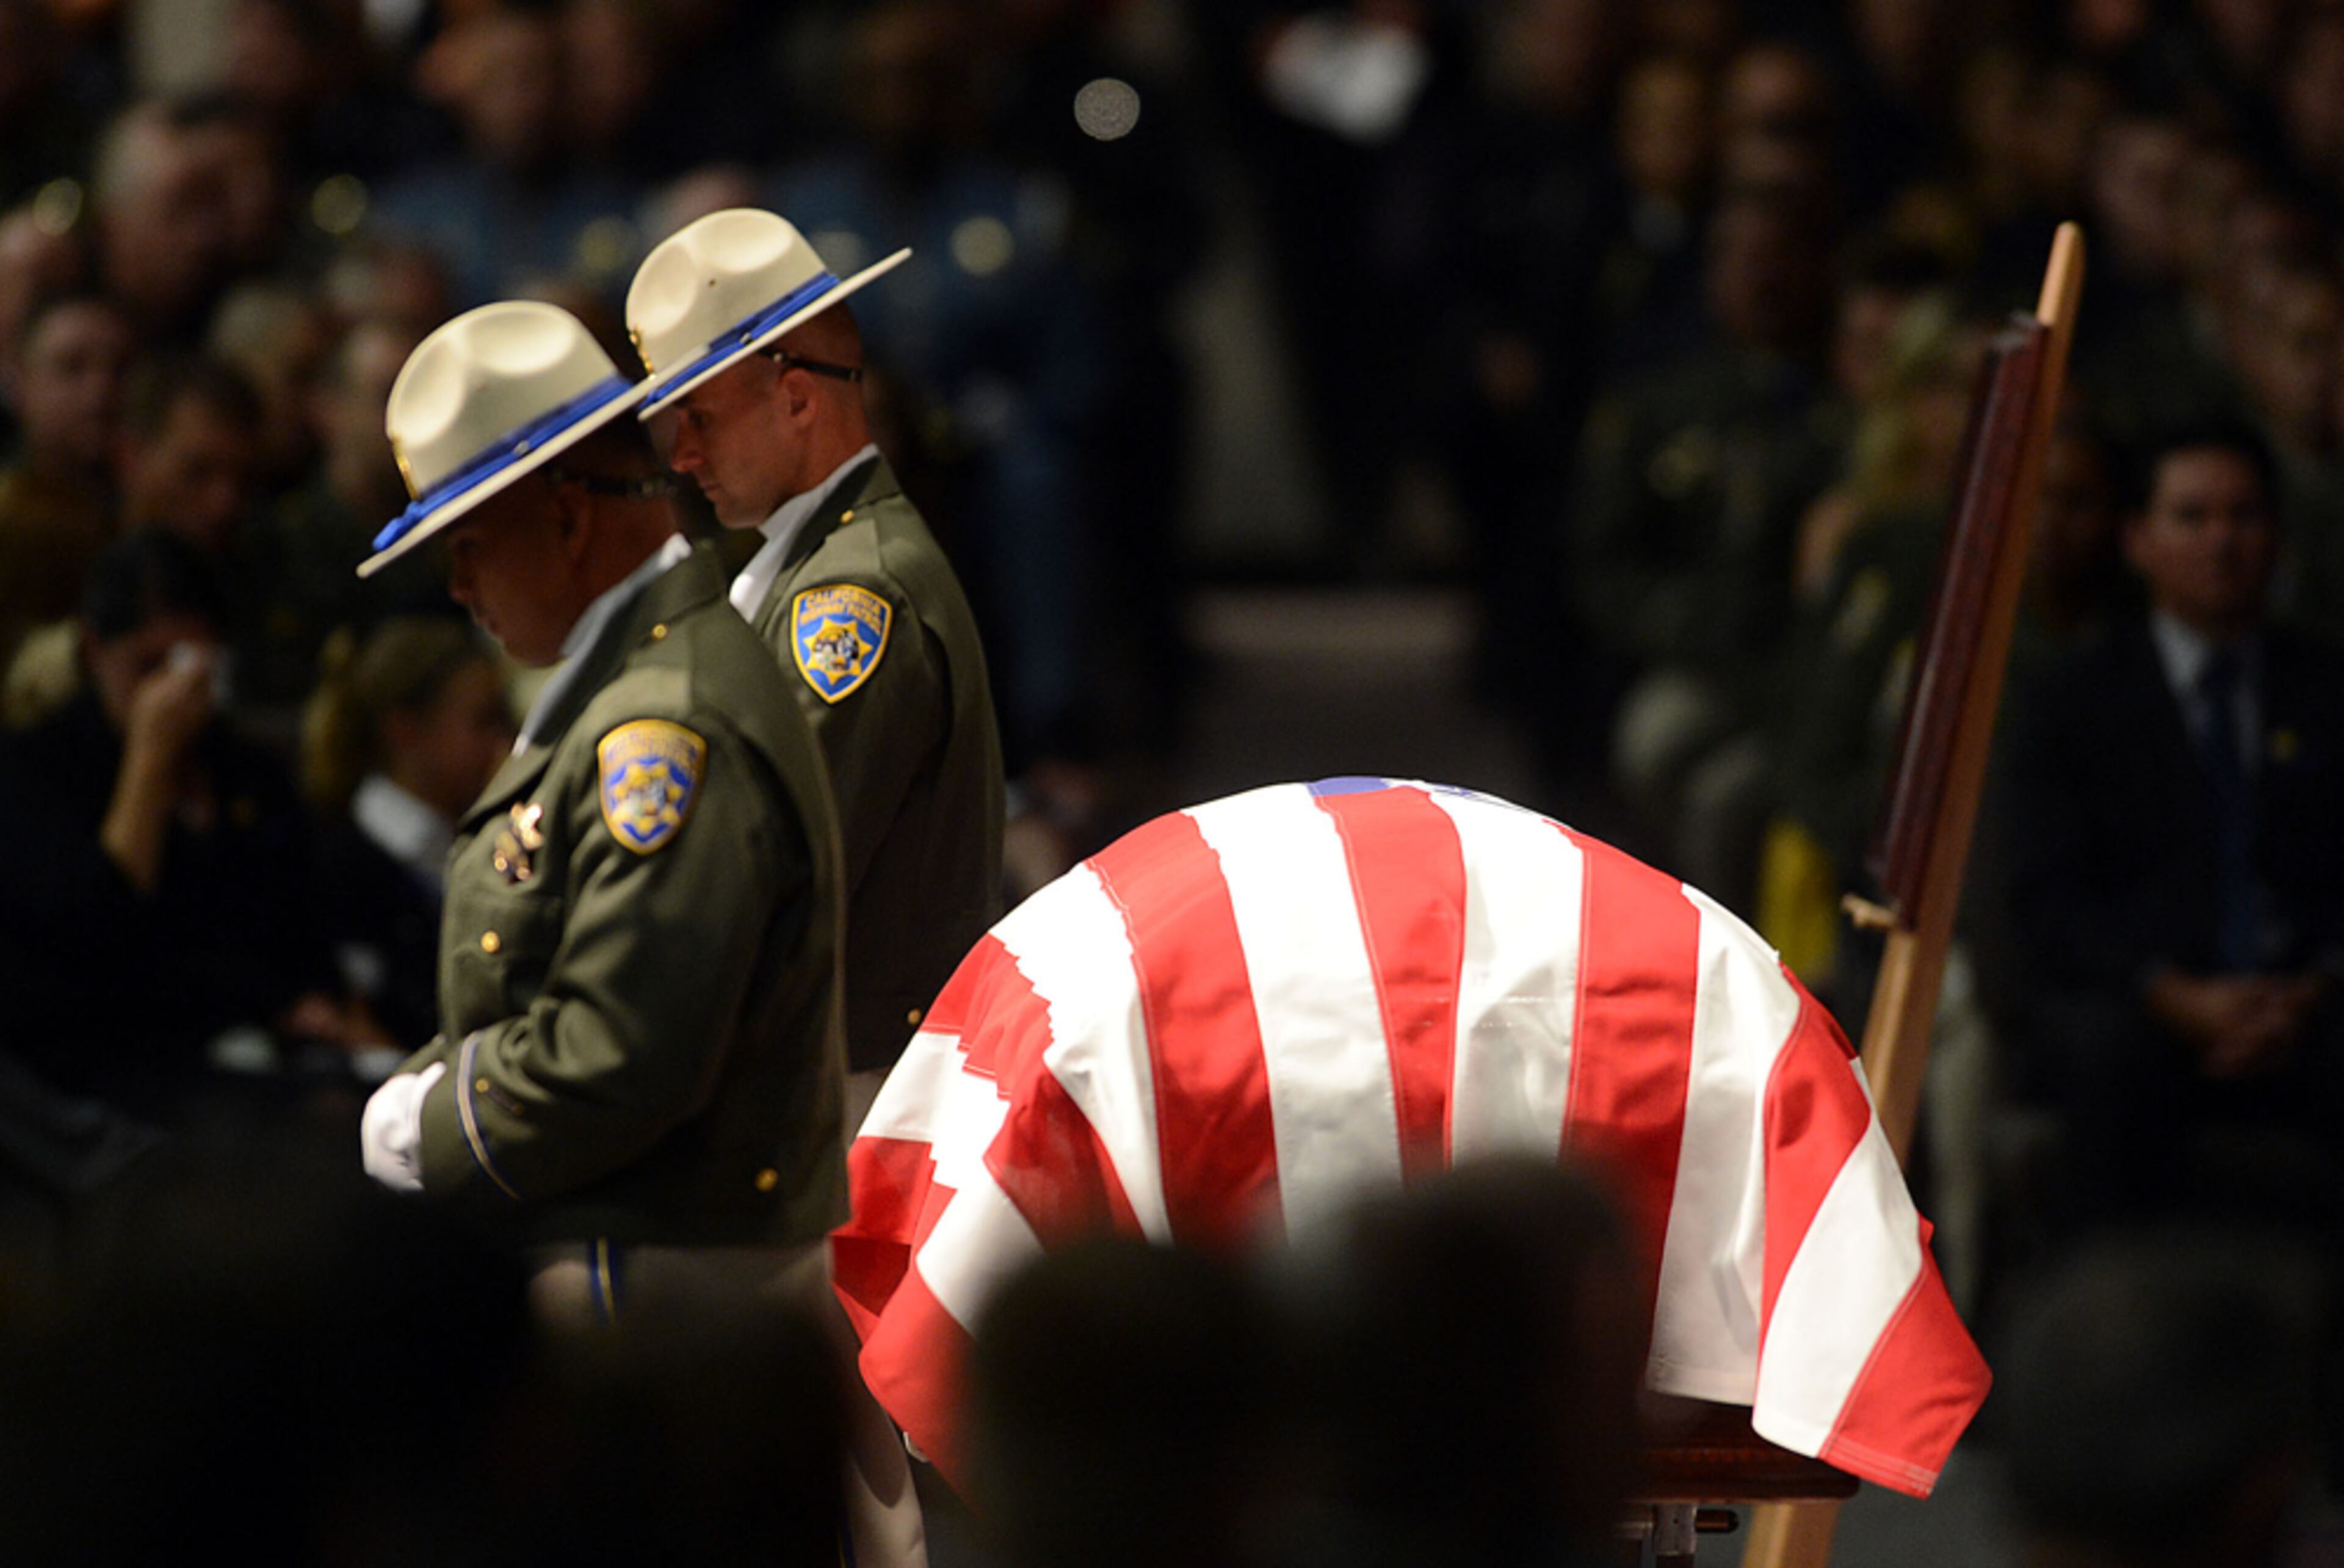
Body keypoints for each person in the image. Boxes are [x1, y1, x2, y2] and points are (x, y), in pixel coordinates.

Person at [353, 295, 926, 1568]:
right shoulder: (628, 688)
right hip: (665, 1287)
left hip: (664, 1298)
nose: (455, 586)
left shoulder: (658, 726)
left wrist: (423, 1123)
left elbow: (623, 1052)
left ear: (563, 517)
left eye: (469, 544)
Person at [626, 207, 1004, 1118]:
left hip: (853, 1101)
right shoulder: (817, 566)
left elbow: (755, 867)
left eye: (700, 418)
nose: (681, 457)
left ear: (796, 398)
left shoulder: (853, 596)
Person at [2005, 425, 2344, 1240]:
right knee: (2110, 1062)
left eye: (2244, 516)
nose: (2222, 541)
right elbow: (2047, 900)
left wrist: (2311, 990)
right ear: (2138, 540)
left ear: (2277, 536)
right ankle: (2097, 1333)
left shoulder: (2327, 690)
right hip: (2145, 1000)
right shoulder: (2073, 701)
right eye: (2192, 517)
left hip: (2304, 999)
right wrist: (2175, 994)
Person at [300, 616, 512, 1053]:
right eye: (484, 721)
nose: (503, 744)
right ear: (405, 730)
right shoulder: (343, 862)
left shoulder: (472, 834)